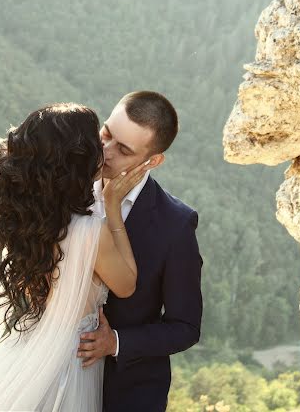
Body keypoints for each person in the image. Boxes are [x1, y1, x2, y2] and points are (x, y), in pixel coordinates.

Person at [0, 102, 147, 412]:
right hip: (70, 357)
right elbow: (127, 285)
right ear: (77, 158)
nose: (104, 150)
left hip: (33, 341)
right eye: (96, 142)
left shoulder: (31, 219)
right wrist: (113, 211)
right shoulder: (91, 230)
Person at [77, 91, 203, 412]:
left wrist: (115, 341)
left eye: (123, 149)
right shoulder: (65, 182)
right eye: (106, 134)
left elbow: (185, 327)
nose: (105, 151)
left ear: (153, 161)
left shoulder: (176, 224)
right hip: (54, 371)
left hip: (128, 392)